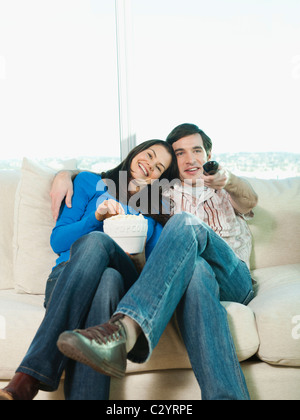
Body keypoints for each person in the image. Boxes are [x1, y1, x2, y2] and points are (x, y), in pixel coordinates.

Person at [51, 124, 258, 400]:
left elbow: (250, 199)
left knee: (185, 224)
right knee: (196, 269)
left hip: (233, 277)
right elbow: (115, 179)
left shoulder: (225, 185)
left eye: (197, 150)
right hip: (194, 278)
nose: (190, 159)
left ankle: (125, 329)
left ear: (208, 154)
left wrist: (227, 179)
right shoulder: (160, 196)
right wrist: (66, 174)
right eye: (180, 153)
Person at [0, 140, 179, 401]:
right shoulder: (88, 183)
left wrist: (136, 252)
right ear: (136, 152)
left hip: (125, 281)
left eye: (158, 167)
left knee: (104, 253)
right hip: (68, 276)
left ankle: (28, 378)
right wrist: (94, 219)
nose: (149, 165)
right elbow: (58, 241)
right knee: (106, 275)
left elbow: (151, 276)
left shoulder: (155, 213)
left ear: (159, 179)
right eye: (149, 155)